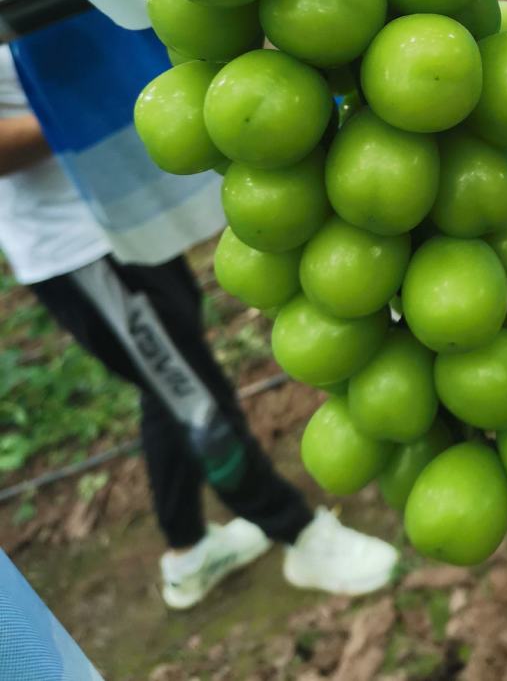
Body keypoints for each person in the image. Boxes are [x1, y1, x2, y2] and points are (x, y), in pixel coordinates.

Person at [0, 44, 398, 609]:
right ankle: (299, 536)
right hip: (79, 251)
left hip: (125, 227)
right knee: (194, 401)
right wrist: (85, 113)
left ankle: (188, 552)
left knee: (170, 389)